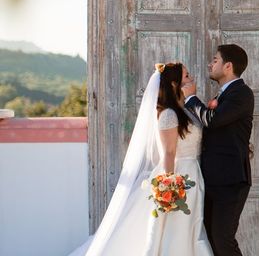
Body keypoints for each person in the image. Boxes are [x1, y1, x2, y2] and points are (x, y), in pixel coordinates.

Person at [70, 63, 212, 256]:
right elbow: (169, 152)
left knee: (190, 227)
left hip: (193, 173)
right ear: (174, 84)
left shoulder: (184, 109)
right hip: (180, 176)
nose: (192, 79)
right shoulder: (168, 114)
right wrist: (169, 186)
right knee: (176, 229)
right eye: (187, 76)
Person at [183, 44, 254, 256]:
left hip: (231, 181)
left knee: (223, 240)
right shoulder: (223, 94)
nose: (210, 63)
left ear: (228, 66)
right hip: (213, 179)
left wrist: (190, 98)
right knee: (212, 240)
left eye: (215, 60)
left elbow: (213, 120)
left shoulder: (242, 93)